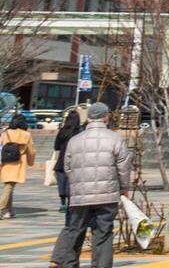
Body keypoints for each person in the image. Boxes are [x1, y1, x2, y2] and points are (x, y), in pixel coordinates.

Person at [50, 103, 128, 268]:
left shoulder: (75, 140)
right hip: (107, 194)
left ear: (89, 117)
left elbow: (68, 167)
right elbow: (123, 168)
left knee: (75, 230)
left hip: (80, 194)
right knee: (103, 233)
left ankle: (70, 264)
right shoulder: (116, 139)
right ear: (106, 116)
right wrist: (124, 188)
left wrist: (77, 183)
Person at [0, 114, 34, 219]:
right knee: (9, 186)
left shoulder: (6, 133)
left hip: (5, 162)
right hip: (18, 162)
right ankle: (1, 209)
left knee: (9, 186)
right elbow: (31, 151)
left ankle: (8, 210)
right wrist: (30, 162)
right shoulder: (26, 135)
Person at [52, 106, 85, 211]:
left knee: (62, 181)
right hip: (75, 161)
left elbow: (56, 146)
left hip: (61, 160)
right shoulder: (80, 132)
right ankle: (71, 203)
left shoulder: (62, 131)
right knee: (71, 182)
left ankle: (62, 203)